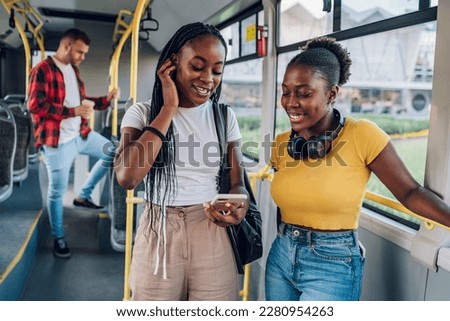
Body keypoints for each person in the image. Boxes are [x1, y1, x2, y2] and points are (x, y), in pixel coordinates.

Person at [266, 36, 450, 301]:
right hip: (281, 255)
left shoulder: (362, 134)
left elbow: (410, 192)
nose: (290, 102)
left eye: (304, 93)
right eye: (285, 92)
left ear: (332, 94)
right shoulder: (282, 143)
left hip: (333, 264)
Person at [114, 22, 249, 301]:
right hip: (159, 229)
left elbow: (239, 185)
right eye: (197, 67)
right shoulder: (142, 113)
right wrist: (168, 109)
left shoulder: (225, 118)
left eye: (216, 71)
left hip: (211, 229)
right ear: (173, 63)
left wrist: (237, 206)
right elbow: (127, 177)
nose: (208, 79)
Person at [28, 28, 119, 259]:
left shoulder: (73, 70)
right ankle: (59, 238)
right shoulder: (42, 70)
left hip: (81, 134)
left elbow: (81, 103)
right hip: (57, 141)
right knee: (57, 191)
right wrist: (72, 111)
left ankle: (83, 195)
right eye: (80, 51)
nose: (82, 57)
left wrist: (106, 100)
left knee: (113, 151)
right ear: (66, 46)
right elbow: (35, 106)